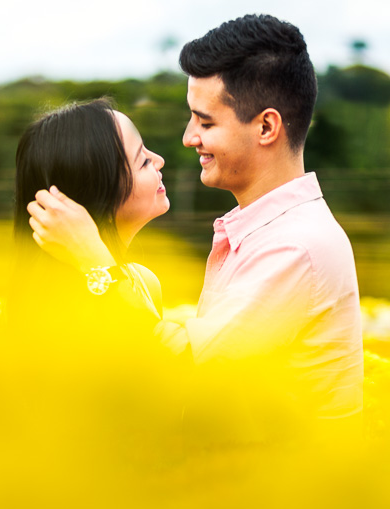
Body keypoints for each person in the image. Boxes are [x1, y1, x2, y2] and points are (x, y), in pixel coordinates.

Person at [27, 14, 363, 425]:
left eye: (205, 121)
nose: (188, 137)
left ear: (266, 127)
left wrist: (95, 261)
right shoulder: (266, 232)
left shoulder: (293, 246)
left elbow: (182, 370)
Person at [10, 98, 169, 331]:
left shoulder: (143, 281)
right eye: (143, 161)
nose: (159, 161)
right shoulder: (58, 304)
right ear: (101, 197)